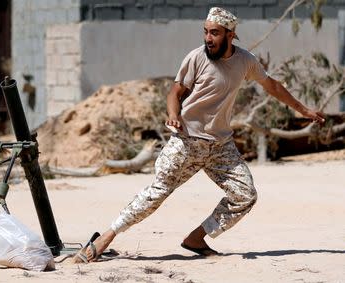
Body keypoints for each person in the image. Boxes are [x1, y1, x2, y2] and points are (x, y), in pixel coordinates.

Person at [73, 7, 325, 263]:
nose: (208, 38)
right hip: (187, 141)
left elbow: (271, 85)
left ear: (230, 34)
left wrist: (303, 109)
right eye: (205, 32)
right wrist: (173, 114)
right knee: (156, 193)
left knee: (245, 195)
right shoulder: (196, 58)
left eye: (214, 33)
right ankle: (107, 236)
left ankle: (196, 238)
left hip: (220, 146)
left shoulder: (245, 61)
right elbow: (175, 93)